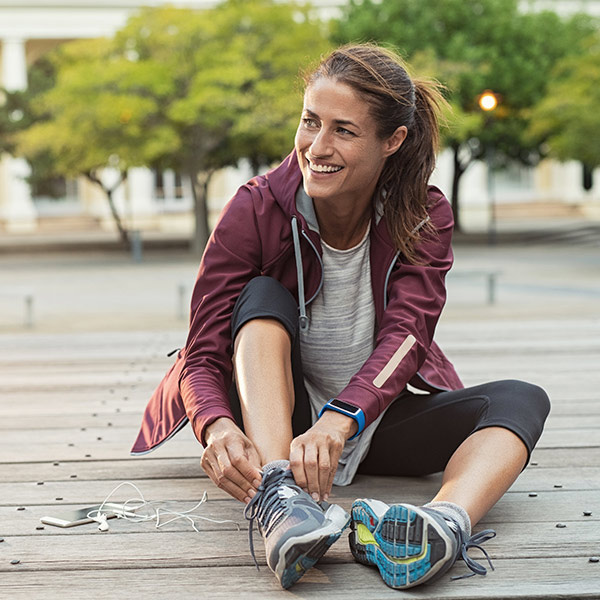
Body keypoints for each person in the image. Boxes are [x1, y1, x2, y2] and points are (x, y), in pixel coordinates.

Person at [132, 43, 550, 590]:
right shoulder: (255, 208)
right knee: (260, 297)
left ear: (392, 141)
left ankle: (442, 525)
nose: (317, 147)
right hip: (279, 426)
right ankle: (282, 502)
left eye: (344, 131)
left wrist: (343, 417)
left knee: (521, 399)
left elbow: (409, 335)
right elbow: (203, 351)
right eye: (310, 122)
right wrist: (215, 425)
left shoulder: (423, 214)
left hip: (369, 419)